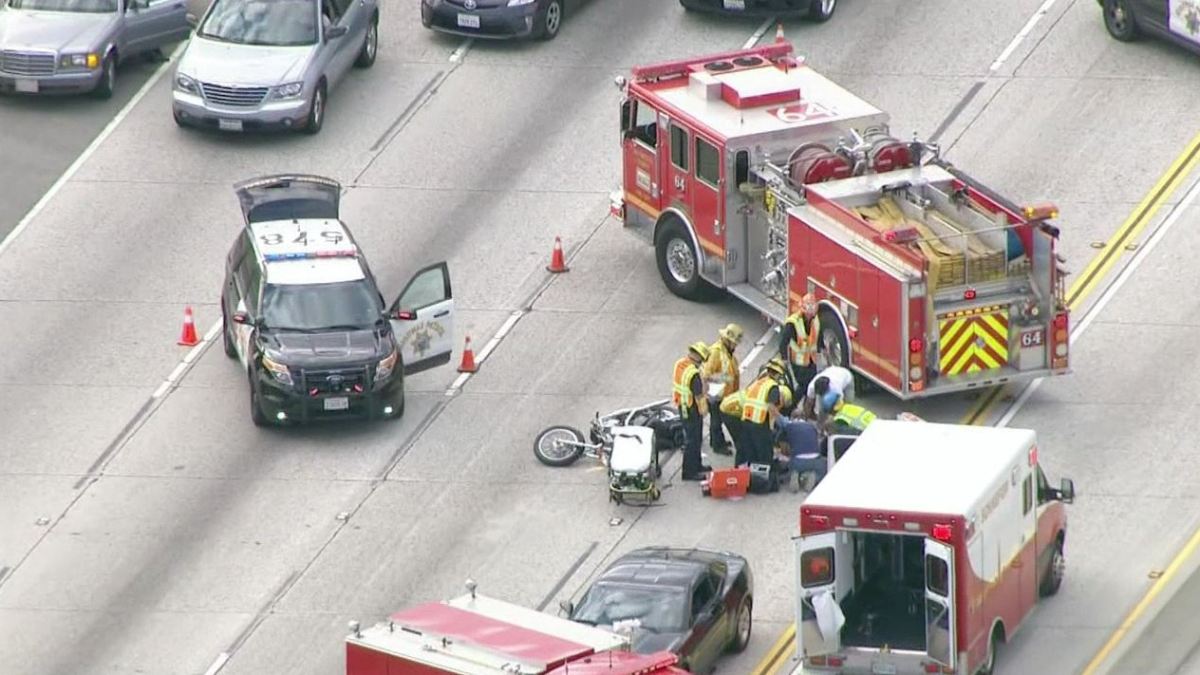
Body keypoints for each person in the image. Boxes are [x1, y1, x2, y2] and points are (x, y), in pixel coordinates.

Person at [673, 341, 712, 481]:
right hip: (691, 409)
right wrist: (704, 410)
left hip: (682, 406)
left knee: (693, 439)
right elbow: (698, 396)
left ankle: (697, 466)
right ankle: (690, 472)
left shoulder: (680, 364)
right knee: (693, 440)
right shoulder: (693, 373)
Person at [703, 323, 743, 456]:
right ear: (727, 340)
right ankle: (717, 445)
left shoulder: (727, 352)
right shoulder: (716, 353)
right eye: (734, 343)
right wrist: (725, 379)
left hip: (725, 395)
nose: (735, 346)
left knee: (718, 420)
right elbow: (707, 375)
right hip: (716, 395)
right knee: (716, 421)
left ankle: (717, 441)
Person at [740, 359, 788, 466]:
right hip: (759, 424)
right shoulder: (772, 386)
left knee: (751, 454)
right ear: (778, 374)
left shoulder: (758, 382)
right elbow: (771, 407)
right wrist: (779, 422)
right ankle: (764, 479)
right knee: (765, 456)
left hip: (746, 420)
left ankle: (751, 477)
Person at [778, 293, 821, 395]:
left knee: (811, 386)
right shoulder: (792, 323)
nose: (810, 315)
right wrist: (784, 360)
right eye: (808, 313)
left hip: (811, 360)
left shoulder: (815, 320)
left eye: (812, 313)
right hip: (798, 362)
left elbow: (817, 335)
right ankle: (790, 408)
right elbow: (783, 343)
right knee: (804, 387)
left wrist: (822, 348)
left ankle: (808, 408)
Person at [774, 416, 827, 493]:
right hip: (815, 460)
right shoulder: (812, 427)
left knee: (791, 465)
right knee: (822, 471)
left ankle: (795, 473)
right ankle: (811, 477)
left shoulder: (789, 426)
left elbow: (780, 420)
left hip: (798, 461)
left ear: (792, 418)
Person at [719, 389, 749, 467]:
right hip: (729, 412)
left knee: (744, 440)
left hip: (729, 405)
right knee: (742, 442)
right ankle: (739, 468)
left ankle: (741, 466)